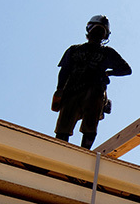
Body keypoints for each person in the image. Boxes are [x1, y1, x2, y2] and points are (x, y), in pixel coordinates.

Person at [52, 14, 132, 149]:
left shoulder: (106, 52)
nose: (98, 33)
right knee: (64, 128)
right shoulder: (74, 50)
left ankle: (83, 153)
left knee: (88, 126)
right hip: (72, 91)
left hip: (94, 91)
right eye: (97, 30)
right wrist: (59, 91)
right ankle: (61, 153)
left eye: (101, 31)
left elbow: (126, 69)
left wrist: (108, 73)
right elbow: (64, 71)